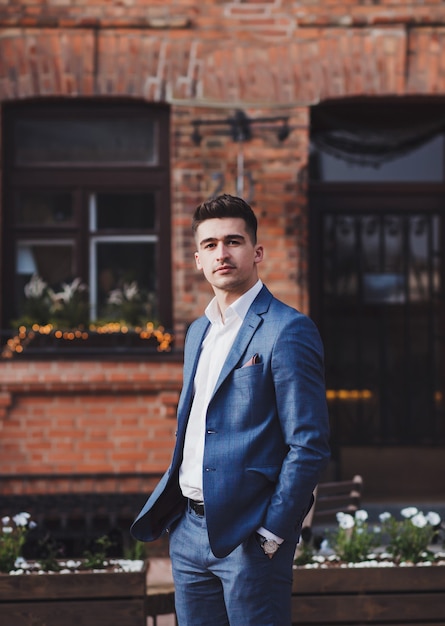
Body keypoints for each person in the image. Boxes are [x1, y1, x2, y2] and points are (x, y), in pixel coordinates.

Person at [131, 194, 330, 626]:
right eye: (210, 245)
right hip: (188, 531)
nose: (222, 253)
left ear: (256, 252)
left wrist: (273, 531)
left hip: (251, 536)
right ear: (198, 259)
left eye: (233, 241)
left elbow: (309, 444)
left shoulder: (288, 329)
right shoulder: (198, 332)